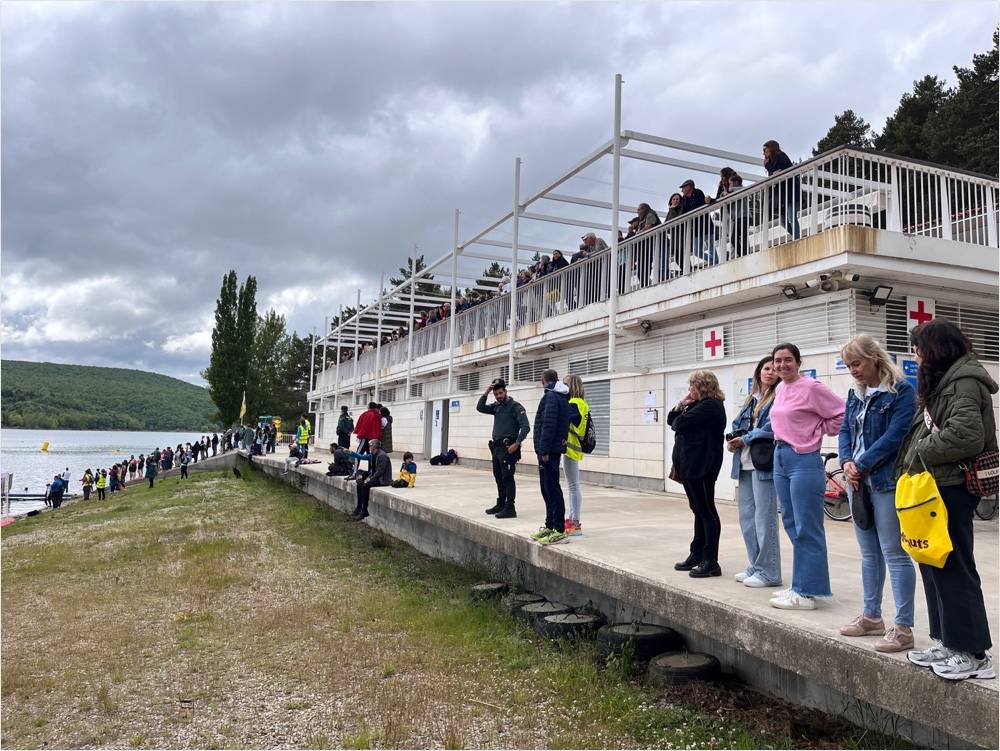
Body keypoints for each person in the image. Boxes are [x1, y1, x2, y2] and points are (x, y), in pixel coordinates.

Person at [896, 320, 996, 680]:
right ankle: (947, 640)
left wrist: (918, 454)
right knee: (933, 561)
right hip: (937, 486)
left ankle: (974, 654)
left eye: (918, 349)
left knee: (954, 568)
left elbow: (966, 436)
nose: (915, 356)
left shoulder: (964, 383)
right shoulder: (946, 381)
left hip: (952, 486)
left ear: (936, 349)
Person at [836, 335, 917, 652]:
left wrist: (862, 462)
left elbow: (895, 436)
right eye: (848, 365)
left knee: (895, 554)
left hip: (885, 481)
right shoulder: (855, 394)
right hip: (857, 481)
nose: (853, 370)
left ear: (875, 359)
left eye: (857, 363)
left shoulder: (902, 391)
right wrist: (846, 462)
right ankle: (871, 617)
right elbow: (845, 429)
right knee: (869, 554)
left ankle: (904, 627)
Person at [768, 343, 845, 610]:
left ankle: (808, 592)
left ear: (798, 362)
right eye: (777, 361)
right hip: (780, 458)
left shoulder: (812, 387)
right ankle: (801, 583)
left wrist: (817, 430)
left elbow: (841, 414)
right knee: (790, 522)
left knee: (807, 526)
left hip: (803, 460)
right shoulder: (780, 388)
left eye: (788, 360)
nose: (781, 365)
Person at [728, 356, 782, 588]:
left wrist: (747, 437)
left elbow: (773, 427)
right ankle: (756, 564)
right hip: (744, 463)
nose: (770, 372)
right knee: (747, 518)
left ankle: (769, 571)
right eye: (765, 368)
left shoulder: (779, 397)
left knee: (765, 519)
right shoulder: (752, 399)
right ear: (758, 372)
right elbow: (736, 424)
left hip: (764, 463)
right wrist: (733, 439)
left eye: (773, 369)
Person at [669, 370, 728, 578]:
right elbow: (671, 419)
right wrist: (682, 403)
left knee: (706, 512)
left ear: (702, 386)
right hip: (691, 466)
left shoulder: (710, 406)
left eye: (692, 387)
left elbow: (679, 424)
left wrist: (682, 411)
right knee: (698, 510)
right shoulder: (696, 405)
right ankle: (697, 553)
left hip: (701, 467)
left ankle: (711, 560)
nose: (689, 390)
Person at [477, 378, 530, 519]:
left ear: (505, 391)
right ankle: (501, 503)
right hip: (496, 448)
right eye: (496, 394)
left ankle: (510, 507)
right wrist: (487, 391)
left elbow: (525, 427)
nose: (499, 396)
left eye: (500, 393)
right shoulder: (497, 407)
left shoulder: (515, 407)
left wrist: (517, 443)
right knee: (498, 477)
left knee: (507, 477)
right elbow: (480, 408)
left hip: (508, 447)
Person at [530, 369, 571, 545]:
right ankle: (550, 525)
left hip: (548, 452)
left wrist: (544, 450)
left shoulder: (551, 397)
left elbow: (548, 424)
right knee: (547, 488)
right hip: (549, 450)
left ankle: (559, 529)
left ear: (543, 380)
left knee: (551, 488)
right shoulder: (559, 396)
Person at [563, 374, 589, 536]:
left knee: (573, 486)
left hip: (571, 448)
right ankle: (572, 517)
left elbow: (565, 421)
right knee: (573, 485)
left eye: (565, 384)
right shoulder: (582, 403)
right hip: (575, 447)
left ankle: (575, 523)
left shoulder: (573, 403)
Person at [763, 139, 800, 241]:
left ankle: (797, 239)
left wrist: (768, 167)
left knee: (791, 216)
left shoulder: (781, 156)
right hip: (782, 195)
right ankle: (798, 237)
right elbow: (773, 175)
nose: (764, 153)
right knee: (783, 221)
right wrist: (770, 168)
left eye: (765, 150)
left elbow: (780, 171)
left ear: (771, 148)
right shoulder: (772, 161)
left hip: (791, 190)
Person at [354, 440, 391, 520]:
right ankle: (359, 507)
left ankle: (364, 511)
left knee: (365, 485)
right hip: (375, 475)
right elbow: (361, 457)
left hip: (382, 479)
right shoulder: (372, 454)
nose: (369, 448)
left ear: (374, 447)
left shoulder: (382, 456)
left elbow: (380, 472)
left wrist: (369, 479)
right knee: (359, 476)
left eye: (370, 446)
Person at [351, 402, 383, 478]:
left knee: (357, 455)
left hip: (366, 438)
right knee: (371, 457)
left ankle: (354, 473)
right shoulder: (378, 416)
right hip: (374, 440)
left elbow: (365, 426)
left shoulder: (367, 414)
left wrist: (360, 435)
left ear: (369, 407)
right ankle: (370, 473)